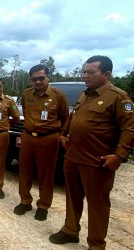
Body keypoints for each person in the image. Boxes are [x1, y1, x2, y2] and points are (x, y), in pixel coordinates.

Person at [49, 55, 134, 249]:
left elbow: (129, 129)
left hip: (97, 162)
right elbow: (73, 117)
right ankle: (70, 230)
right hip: (73, 157)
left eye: (90, 72)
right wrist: (63, 134)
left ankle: (96, 244)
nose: (85, 75)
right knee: (72, 197)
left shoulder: (118, 97)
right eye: (84, 71)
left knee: (98, 205)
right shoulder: (85, 94)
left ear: (106, 74)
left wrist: (119, 156)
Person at [13, 65, 69, 221]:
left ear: (48, 77)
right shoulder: (26, 94)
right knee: (25, 171)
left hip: (48, 139)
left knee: (46, 173)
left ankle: (43, 205)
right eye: (34, 79)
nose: (38, 81)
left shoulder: (58, 96)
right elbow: (25, 111)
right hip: (28, 137)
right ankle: (25, 201)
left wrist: (62, 135)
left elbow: (65, 119)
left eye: (41, 78)